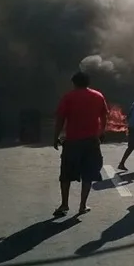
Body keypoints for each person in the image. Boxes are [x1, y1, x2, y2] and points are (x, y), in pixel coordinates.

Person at [53, 71, 109, 217]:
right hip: (91, 141)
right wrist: (101, 133)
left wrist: (56, 137)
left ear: (74, 83)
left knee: (66, 174)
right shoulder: (98, 96)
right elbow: (104, 116)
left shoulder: (68, 97)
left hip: (72, 141)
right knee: (88, 174)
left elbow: (60, 119)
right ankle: (82, 206)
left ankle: (64, 204)